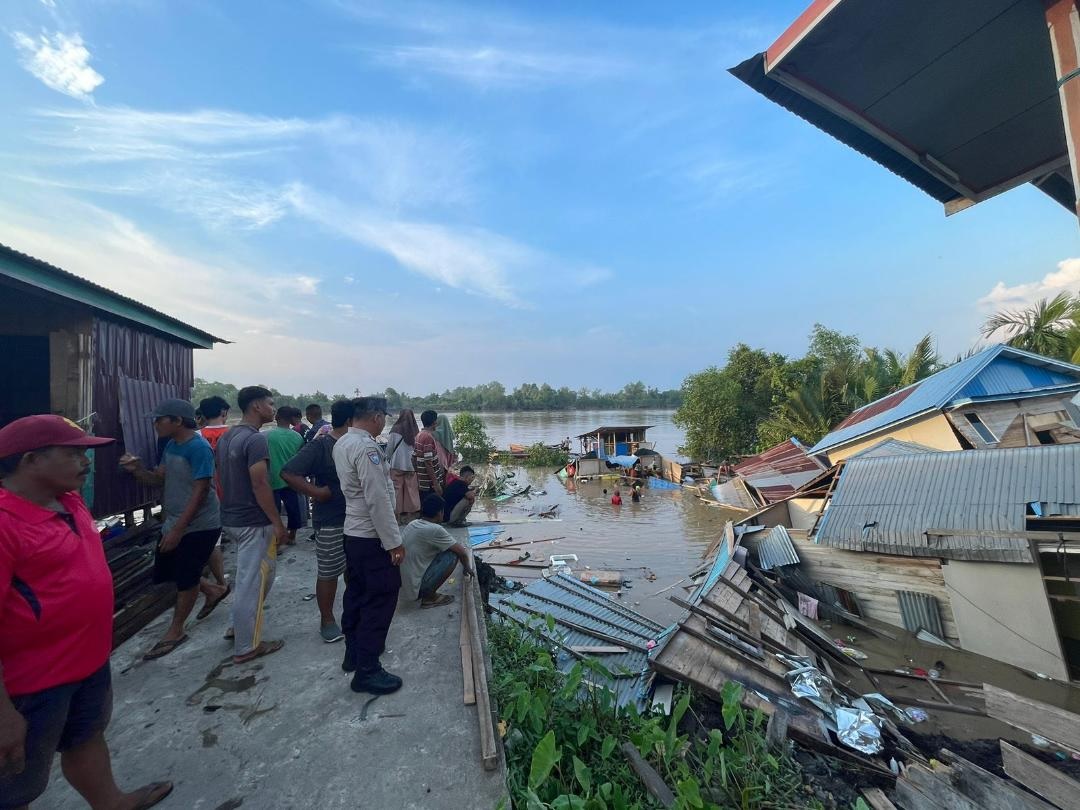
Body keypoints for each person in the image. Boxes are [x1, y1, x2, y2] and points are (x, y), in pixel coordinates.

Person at [0, 415, 173, 809]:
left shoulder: (69, 500)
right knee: (16, 781)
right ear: (31, 460)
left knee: (86, 737)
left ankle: (111, 802)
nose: (86, 462)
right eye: (74, 453)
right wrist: (3, 713)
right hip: (32, 683)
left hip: (88, 661)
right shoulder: (5, 524)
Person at [119, 399, 229, 660]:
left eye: (159, 419)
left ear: (177, 421)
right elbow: (159, 478)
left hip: (199, 524)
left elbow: (201, 491)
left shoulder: (199, 448)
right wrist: (137, 471)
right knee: (168, 571)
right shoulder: (171, 445)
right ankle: (214, 590)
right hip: (176, 521)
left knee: (186, 577)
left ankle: (176, 630)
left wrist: (179, 529)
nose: (155, 424)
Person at [333, 396, 405, 695]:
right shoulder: (366, 448)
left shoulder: (342, 443)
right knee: (381, 597)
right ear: (375, 417)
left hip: (354, 533)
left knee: (357, 593)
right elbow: (377, 500)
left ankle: (353, 653)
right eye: (383, 417)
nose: (384, 422)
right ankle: (368, 670)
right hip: (372, 536)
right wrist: (394, 543)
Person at [216, 386, 287, 665]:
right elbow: (260, 483)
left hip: (232, 518)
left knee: (254, 577)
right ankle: (246, 647)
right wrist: (276, 521)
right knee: (251, 582)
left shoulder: (228, 436)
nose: (273, 408)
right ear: (257, 406)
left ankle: (241, 626)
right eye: (270, 403)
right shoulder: (256, 441)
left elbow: (221, 477)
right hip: (253, 521)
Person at [281, 399, 350, 643]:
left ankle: (352, 614)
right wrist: (317, 493)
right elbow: (288, 472)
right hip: (330, 519)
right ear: (351, 421)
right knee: (329, 571)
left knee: (355, 569)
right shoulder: (321, 445)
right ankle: (327, 619)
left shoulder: (358, 445)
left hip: (356, 518)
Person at [399, 494, 472, 608]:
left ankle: (426, 593)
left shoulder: (412, 523)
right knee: (452, 555)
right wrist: (467, 567)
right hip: (415, 588)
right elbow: (461, 552)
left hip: (403, 586)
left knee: (444, 547)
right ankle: (429, 598)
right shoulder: (435, 529)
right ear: (439, 513)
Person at [195, 395, 231, 605]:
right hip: (233, 492)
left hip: (208, 493)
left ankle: (219, 581)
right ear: (224, 413)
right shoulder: (233, 434)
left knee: (214, 541)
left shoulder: (196, 437)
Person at [267, 406, 304, 546]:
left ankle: (277, 541)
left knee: (274, 512)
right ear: (291, 419)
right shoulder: (297, 436)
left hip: (273, 479)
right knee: (293, 509)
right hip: (291, 479)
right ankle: (292, 536)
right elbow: (300, 457)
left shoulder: (267, 435)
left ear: (276, 417)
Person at [385, 409, 421, 520]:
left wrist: (387, 460)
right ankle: (410, 516)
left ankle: (397, 516)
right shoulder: (416, 431)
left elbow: (389, 449)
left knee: (397, 490)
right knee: (411, 490)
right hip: (411, 465)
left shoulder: (395, 430)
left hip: (396, 464)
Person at [413, 410, 444, 500]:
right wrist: (436, 483)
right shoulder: (428, 437)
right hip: (429, 484)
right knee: (432, 508)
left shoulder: (419, 435)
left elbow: (413, 458)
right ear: (434, 422)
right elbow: (428, 462)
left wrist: (418, 475)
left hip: (423, 482)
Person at [432, 414, 458, 482]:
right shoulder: (449, 432)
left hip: (439, 459)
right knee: (445, 477)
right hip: (448, 457)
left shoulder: (435, 433)